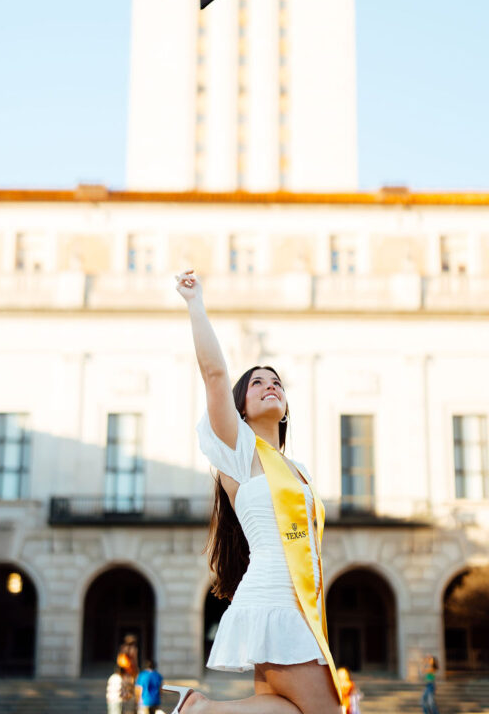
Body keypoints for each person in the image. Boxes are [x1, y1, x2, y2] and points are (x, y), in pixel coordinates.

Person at [163, 270, 343, 714]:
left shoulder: (296, 469)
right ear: (241, 406)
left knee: (286, 710)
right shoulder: (240, 452)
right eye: (258, 383)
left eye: (276, 381)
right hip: (272, 599)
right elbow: (215, 374)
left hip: (297, 608)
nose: (270, 385)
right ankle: (203, 710)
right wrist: (195, 303)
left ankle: (203, 708)